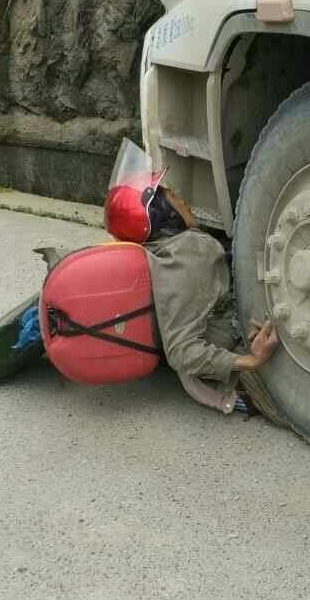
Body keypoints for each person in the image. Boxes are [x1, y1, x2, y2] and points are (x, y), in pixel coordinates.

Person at [104, 141, 281, 416]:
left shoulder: (165, 251)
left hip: (228, 331)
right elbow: (182, 352)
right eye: (173, 196)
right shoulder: (187, 257)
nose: (183, 200)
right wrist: (251, 361)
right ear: (161, 214)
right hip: (229, 376)